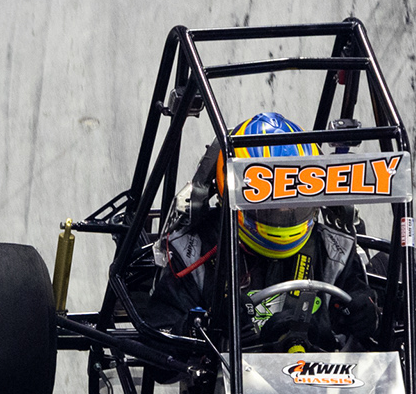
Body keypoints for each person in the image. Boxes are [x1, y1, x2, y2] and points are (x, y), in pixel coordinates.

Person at [153, 112, 380, 351]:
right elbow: (160, 338)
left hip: (322, 371)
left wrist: (367, 313)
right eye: (270, 203)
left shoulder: (333, 250)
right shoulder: (193, 252)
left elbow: (364, 310)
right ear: (230, 198)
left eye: (293, 200)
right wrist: (201, 327)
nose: (283, 211)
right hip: (227, 372)